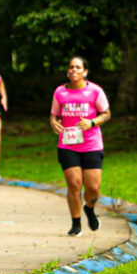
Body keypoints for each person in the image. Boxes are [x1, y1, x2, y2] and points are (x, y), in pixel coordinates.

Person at [50, 56, 110, 236]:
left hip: (91, 145)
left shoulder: (94, 91)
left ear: (85, 71)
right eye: (71, 67)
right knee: (74, 185)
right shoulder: (60, 92)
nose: (74, 70)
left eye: (78, 67)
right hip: (68, 145)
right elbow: (54, 114)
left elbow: (106, 114)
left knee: (93, 188)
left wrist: (92, 122)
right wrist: (54, 123)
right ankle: (76, 223)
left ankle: (89, 208)